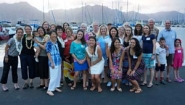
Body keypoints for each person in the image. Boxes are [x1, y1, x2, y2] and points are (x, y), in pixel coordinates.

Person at [46, 31, 63, 96]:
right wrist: (51, 62)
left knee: (58, 75)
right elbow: (48, 53)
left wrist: (60, 60)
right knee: (53, 76)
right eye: (52, 34)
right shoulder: (49, 43)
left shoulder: (56, 42)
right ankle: (49, 89)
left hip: (58, 60)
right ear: (50, 35)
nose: (54, 35)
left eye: (55, 34)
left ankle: (55, 87)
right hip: (53, 61)